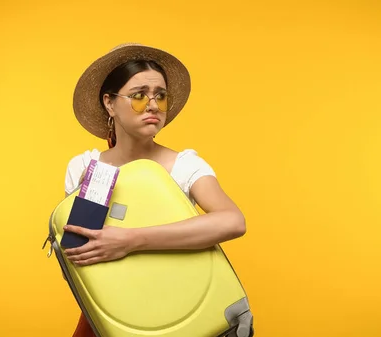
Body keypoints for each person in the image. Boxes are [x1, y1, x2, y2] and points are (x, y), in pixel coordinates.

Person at [61, 43, 247, 337]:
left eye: (160, 96)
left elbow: (233, 221)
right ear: (109, 103)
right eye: (138, 96)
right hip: (117, 313)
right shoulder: (86, 168)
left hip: (180, 310)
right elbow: (81, 249)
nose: (152, 105)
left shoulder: (184, 165)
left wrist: (132, 239)